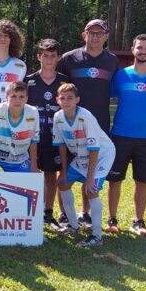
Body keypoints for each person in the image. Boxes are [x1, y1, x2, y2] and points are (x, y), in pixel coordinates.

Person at [106, 34, 146, 236]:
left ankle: (138, 220)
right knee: (114, 179)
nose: (143, 51)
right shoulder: (120, 75)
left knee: (142, 181)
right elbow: (104, 98)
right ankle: (112, 218)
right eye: (139, 47)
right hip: (120, 136)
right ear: (133, 49)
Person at [57, 18, 119, 225]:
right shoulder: (69, 58)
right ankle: (64, 214)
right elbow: (60, 90)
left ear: (106, 37)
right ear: (84, 35)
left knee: (88, 168)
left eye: (99, 33)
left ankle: (84, 212)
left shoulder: (112, 61)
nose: (95, 37)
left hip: (99, 123)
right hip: (70, 124)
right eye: (91, 33)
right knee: (64, 170)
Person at [51, 83, 116, 248]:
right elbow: (61, 146)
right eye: (63, 98)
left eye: (70, 98)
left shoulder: (85, 116)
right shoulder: (58, 117)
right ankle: (73, 225)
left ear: (77, 100)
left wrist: (89, 178)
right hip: (82, 157)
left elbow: (94, 149)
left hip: (101, 155)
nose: (66, 101)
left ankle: (97, 236)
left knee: (91, 190)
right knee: (63, 183)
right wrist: (64, 171)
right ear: (57, 100)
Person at [26, 38, 68, 226]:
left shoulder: (65, 81)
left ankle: (48, 212)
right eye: (45, 56)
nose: (48, 60)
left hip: (55, 137)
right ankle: (31, 211)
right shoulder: (29, 81)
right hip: (32, 137)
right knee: (32, 173)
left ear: (58, 57)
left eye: (52, 56)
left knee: (51, 174)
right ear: (38, 57)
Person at [0, 81, 39, 173]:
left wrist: (34, 166)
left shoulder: (33, 112)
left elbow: (34, 141)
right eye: (13, 96)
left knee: (32, 180)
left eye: (21, 97)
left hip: (19, 160)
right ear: (6, 97)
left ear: (26, 98)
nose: (17, 100)